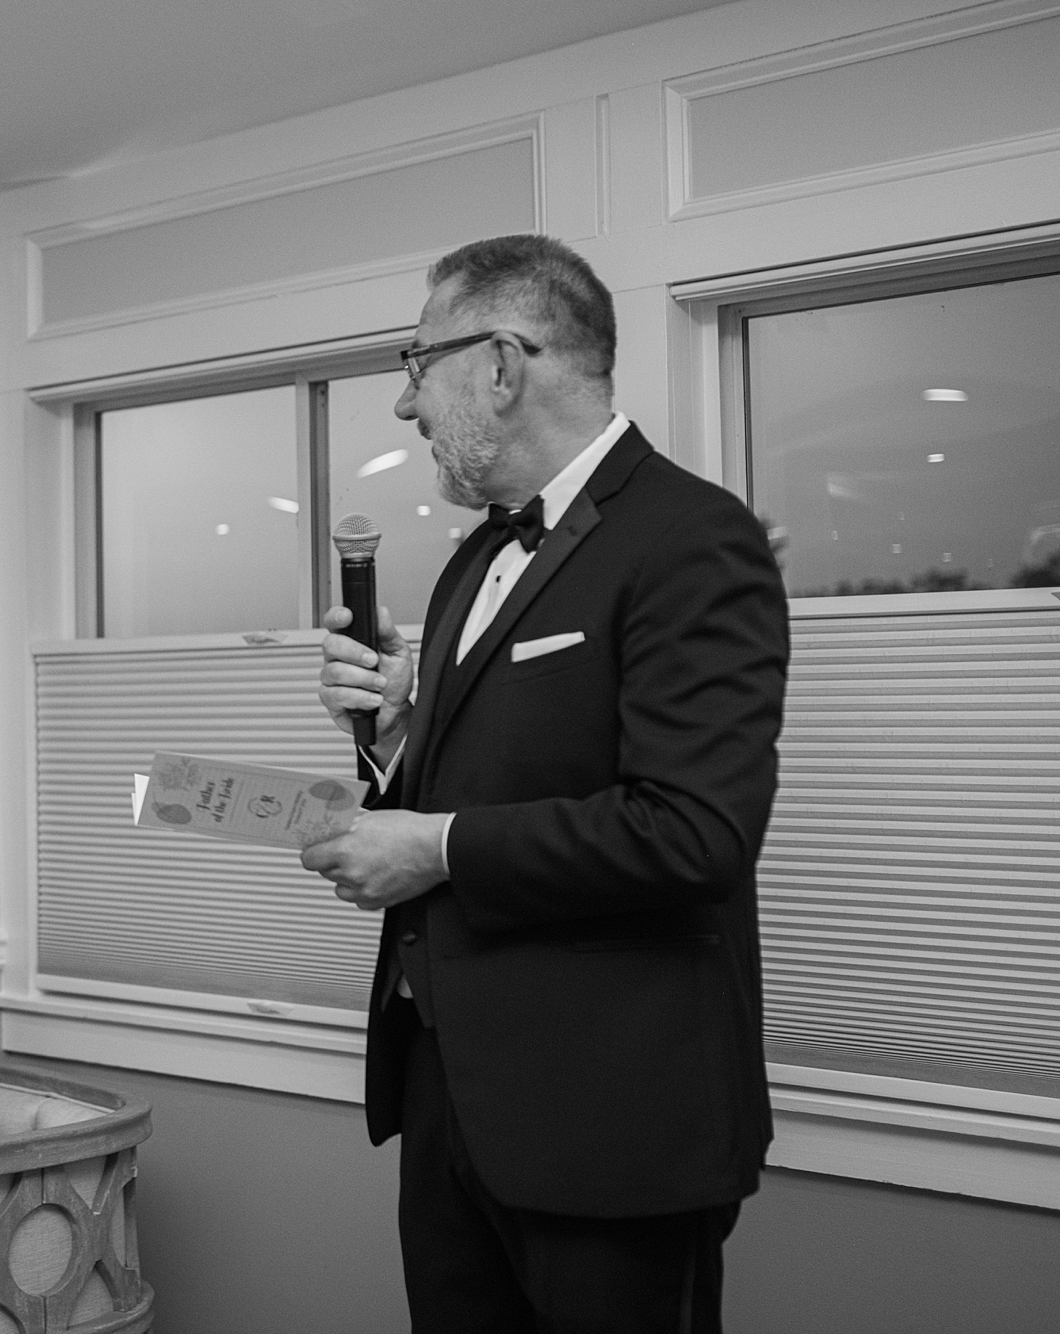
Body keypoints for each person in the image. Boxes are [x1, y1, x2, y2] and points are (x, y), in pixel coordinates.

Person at [303, 234, 789, 1332]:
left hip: (608, 1124)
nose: (402, 402)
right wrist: (390, 736)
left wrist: (431, 847)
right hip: (450, 1100)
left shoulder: (691, 536)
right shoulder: (472, 558)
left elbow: (692, 831)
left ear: (502, 361)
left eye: (414, 361)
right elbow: (482, 774)